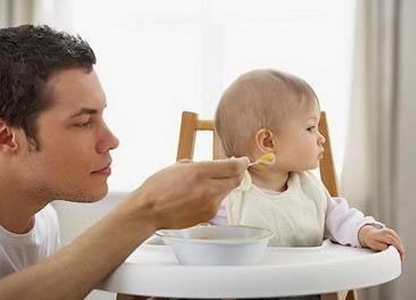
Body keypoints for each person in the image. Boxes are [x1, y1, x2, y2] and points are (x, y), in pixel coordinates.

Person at [0, 24, 249, 299]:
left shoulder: (44, 223)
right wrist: (146, 209)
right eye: (83, 122)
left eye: (101, 116)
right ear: (7, 137)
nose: (111, 140)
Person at [212, 69, 405, 257]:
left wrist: (365, 232)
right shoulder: (227, 195)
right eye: (311, 127)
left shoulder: (309, 189)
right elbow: (194, 232)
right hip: (248, 288)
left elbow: (341, 219)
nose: (321, 138)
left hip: (307, 286)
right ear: (268, 142)